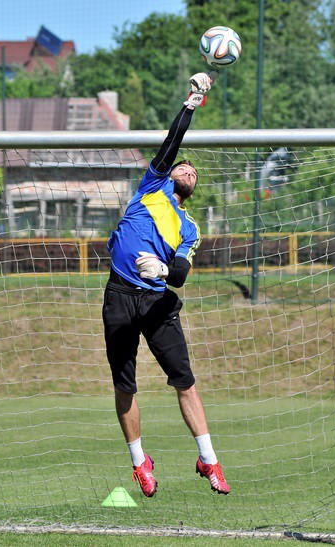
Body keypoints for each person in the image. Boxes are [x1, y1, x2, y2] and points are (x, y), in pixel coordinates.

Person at [102, 71, 229, 497]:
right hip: (119, 295)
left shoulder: (189, 227)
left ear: (194, 188)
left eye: (194, 172)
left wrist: (161, 272)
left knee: (185, 381)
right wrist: (191, 103)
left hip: (157, 302)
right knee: (124, 385)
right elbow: (171, 143)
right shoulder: (150, 188)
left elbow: (180, 275)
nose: (188, 170)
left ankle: (208, 459)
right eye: (184, 166)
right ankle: (140, 463)